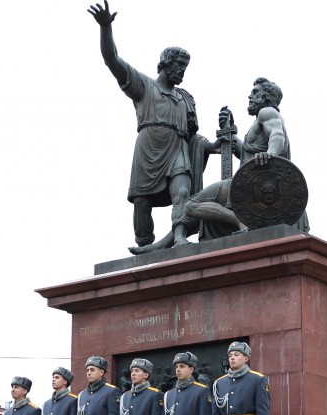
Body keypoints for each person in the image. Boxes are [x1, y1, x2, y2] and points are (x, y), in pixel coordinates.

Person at [89, 1, 213, 250]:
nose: (182, 71)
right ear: (166, 63)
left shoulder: (185, 98)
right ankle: (144, 244)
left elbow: (193, 138)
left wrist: (211, 146)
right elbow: (112, 60)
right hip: (148, 149)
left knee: (182, 190)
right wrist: (106, 28)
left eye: (185, 67)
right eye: (179, 65)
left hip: (177, 149)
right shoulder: (144, 86)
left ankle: (179, 236)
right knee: (142, 202)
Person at [184, 77, 307, 242]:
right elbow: (247, 153)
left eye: (255, 92)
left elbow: (277, 135)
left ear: (267, 97)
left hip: (253, 183)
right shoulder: (259, 121)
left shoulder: (268, 112)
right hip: (253, 181)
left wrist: (271, 153)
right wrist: (229, 131)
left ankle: (238, 219)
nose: (250, 96)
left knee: (191, 206)